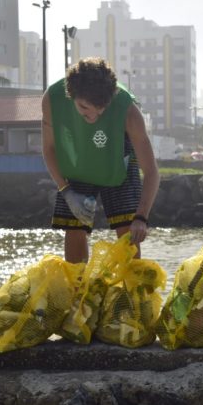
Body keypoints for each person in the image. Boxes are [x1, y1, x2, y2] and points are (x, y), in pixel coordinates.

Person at [42, 57, 160, 263]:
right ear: (71, 94)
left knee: (128, 233)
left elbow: (151, 172)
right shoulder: (52, 99)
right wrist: (66, 191)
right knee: (74, 228)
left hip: (116, 158)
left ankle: (130, 291)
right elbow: (49, 149)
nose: (95, 116)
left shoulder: (129, 111)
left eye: (101, 109)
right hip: (79, 160)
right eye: (85, 108)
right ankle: (77, 290)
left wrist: (141, 218)